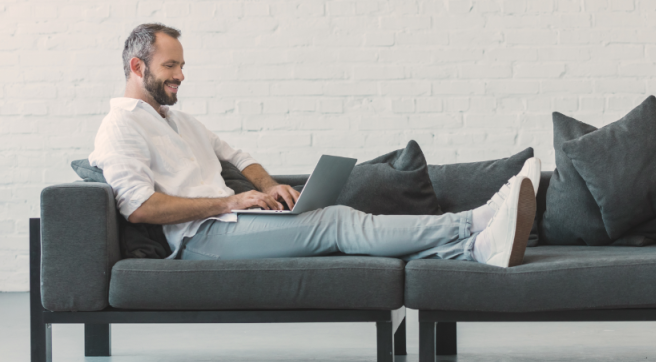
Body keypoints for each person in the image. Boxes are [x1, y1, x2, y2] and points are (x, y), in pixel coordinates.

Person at [89, 23, 541, 268]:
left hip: (231, 223)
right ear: (137, 67)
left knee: (336, 222)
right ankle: (471, 223)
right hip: (200, 238)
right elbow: (139, 208)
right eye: (170, 66)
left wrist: (270, 187)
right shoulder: (119, 126)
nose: (181, 75)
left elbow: (238, 158)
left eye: (182, 65)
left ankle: (476, 250)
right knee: (336, 222)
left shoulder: (180, 120)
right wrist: (228, 203)